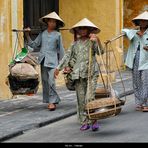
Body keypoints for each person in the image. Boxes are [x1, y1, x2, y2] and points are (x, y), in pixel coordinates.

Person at [54, 18, 104, 131]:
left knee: (89, 97)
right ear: (77, 31)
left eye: (84, 28)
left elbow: (101, 51)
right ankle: (85, 121)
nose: (82, 31)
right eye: (80, 29)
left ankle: (94, 120)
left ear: (89, 29)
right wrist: (58, 68)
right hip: (78, 74)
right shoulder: (74, 44)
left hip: (91, 72)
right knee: (81, 100)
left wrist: (98, 40)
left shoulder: (92, 41)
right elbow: (67, 56)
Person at [24, 12, 65, 111]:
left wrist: (61, 65)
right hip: (43, 60)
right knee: (46, 81)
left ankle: (52, 101)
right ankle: (51, 99)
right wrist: (27, 34)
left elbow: (61, 50)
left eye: (54, 22)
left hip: (53, 61)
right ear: (47, 22)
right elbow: (34, 45)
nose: (52, 23)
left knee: (51, 81)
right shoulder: (42, 34)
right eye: (50, 21)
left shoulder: (58, 35)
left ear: (56, 24)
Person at [122, 11, 148, 112]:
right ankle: (139, 103)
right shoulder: (134, 32)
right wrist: (133, 32)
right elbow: (123, 31)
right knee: (136, 82)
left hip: (146, 60)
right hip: (135, 59)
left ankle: (146, 103)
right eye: (141, 21)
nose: (142, 22)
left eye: (145, 21)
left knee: (145, 82)